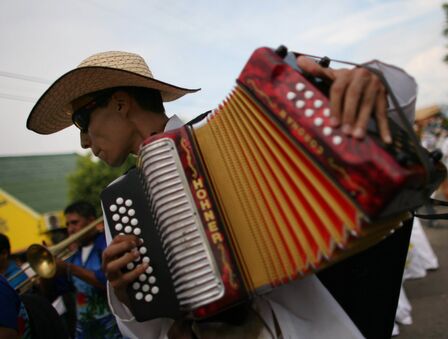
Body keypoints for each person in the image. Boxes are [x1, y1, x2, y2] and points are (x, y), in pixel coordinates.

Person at [26, 49, 418, 338]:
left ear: (121, 102)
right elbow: (149, 332)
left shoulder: (236, 128)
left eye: (82, 120)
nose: (81, 141)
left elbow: (397, 99)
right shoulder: (118, 200)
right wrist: (128, 299)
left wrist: (369, 80)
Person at [58, 201, 122, 338]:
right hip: (85, 330)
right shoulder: (74, 254)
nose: (70, 229)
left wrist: (69, 268)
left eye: (75, 223)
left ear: (91, 221)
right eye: (68, 225)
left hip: (112, 327)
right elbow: (61, 290)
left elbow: (107, 282)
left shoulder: (106, 244)